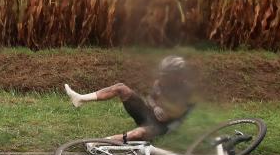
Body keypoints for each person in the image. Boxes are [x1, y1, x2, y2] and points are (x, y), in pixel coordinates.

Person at [63, 55, 193, 142]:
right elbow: (150, 98)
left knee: (136, 134)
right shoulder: (160, 82)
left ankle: (97, 144)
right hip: (148, 113)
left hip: (161, 126)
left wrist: (167, 115)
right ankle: (80, 98)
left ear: (178, 76)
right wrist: (155, 106)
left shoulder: (186, 91)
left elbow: (176, 117)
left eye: (167, 75)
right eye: (162, 74)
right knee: (121, 88)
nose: (162, 77)